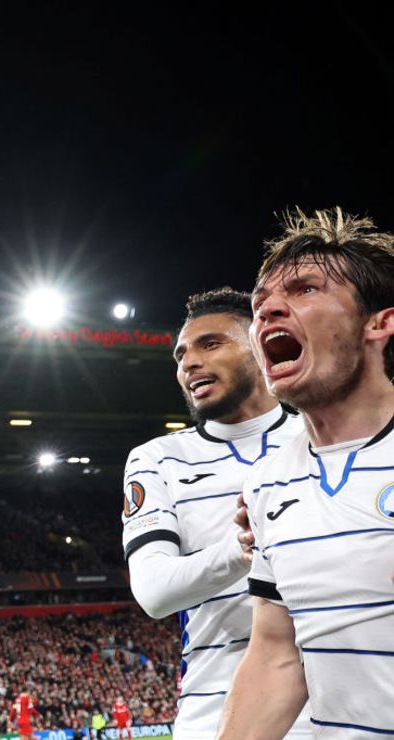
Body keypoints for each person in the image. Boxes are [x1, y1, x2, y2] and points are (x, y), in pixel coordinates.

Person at [220, 208, 394, 737]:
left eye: (305, 289)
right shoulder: (269, 482)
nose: (267, 308)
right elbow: (277, 656)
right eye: (262, 302)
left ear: (379, 323)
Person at [120, 288, 308, 739]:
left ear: (261, 344)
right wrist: (238, 549)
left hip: (343, 699)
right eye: (180, 354)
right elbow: (153, 592)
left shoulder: (320, 435)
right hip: (216, 707)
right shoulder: (158, 458)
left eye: (211, 344)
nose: (188, 363)